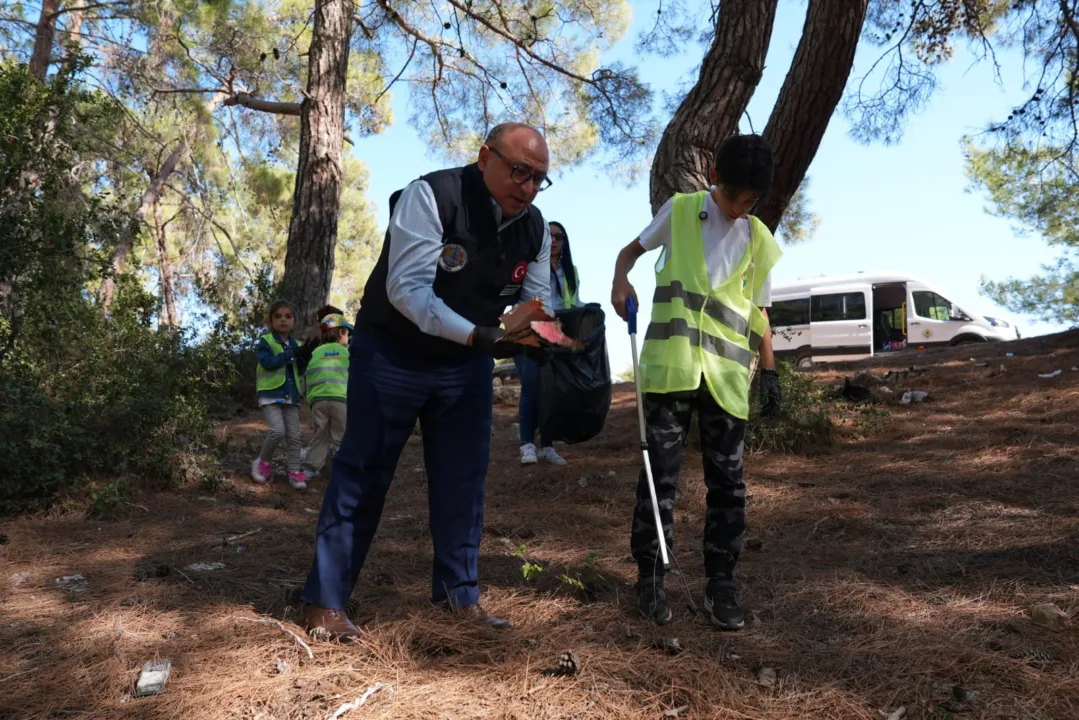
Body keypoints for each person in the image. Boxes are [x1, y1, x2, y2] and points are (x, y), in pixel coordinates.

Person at [300, 122, 553, 641]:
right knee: (363, 471)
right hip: (392, 352)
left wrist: (548, 333)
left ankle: (459, 599)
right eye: (519, 171)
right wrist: (480, 335)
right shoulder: (431, 196)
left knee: (463, 480)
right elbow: (408, 291)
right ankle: (326, 602)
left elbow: (535, 302)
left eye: (538, 179)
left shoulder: (536, 230)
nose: (528, 188)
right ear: (485, 157)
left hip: (465, 365)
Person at [610, 133, 784, 632]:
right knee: (659, 477)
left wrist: (770, 371)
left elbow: (759, 311)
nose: (738, 208)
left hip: (726, 379)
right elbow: (628, 253)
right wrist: (620, 280)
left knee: (728, 485)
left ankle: (721, 585)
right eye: (732, 196)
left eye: (750, 201)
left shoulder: (758, 239)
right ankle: (650, 577)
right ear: (714, 179)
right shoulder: (682, 210)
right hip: (672, 370)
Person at [513, 220, 580, 466]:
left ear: (564, 242)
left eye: (558, 237)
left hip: (554, 334)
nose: (553, 241)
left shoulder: (571, 272)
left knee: (549, 390)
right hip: (526, 331)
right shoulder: (527, 265)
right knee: (530, 385)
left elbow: (574, 303)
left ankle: (547, 445)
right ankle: (527, 444)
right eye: (549, 236)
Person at [251, 299, 308, 490]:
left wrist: (305, 356)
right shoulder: (266, 341)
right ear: (271, 321)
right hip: (270, 394)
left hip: (291, 395)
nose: (283, 320)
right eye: (278, 316)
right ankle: (262, 461)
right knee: (277, 431)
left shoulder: (297, 344)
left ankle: (294, 470)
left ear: (294, 321)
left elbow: (300, 370)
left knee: (294, 436)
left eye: (288, 316)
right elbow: (267, 362)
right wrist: (292, 354)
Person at [300, 313, 352, 482]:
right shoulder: (347, 352)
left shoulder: (315, 352)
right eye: (347, 333)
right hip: (341, 400)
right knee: (340, 435)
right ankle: (342, 470)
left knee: (320, 435)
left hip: (318, 400)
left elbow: (308, 375)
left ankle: (310, 468)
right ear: (341, 332)